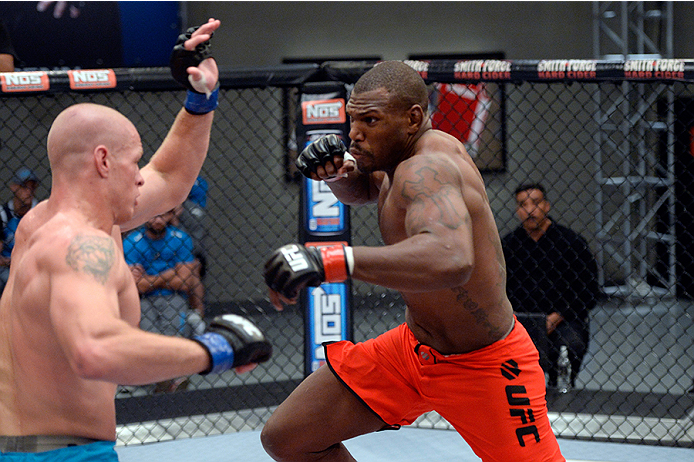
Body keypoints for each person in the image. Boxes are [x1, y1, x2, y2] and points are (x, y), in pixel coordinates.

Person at [262, 61, 565, 462]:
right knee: (288, 437)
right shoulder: (399, 160)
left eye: (370, 120)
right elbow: (369, 190)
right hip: (412, 351)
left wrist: (331, 260)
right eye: (352, 120)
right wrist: (338, 176)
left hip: (486, 365)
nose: (354, 135)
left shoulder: (429, 166)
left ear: (413, 118)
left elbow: (452, 258)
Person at [0, 19, 272, 459]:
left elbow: (171, 176)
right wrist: (212, 351)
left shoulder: (41, 224)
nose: (141, 178)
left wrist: (200, 98)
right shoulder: (79, 244)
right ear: (104, 161)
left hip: (32, 445)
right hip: (60, 454)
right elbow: (96, 349)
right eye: (134, 162)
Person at [502, 183, 599, 390]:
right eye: (522, 204)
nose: (529, 210)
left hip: (563, 318)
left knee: (571, 344)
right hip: (520, 320)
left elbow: (589, 290)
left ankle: (562, 386)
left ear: (546, 206)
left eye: (535, 203)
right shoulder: (508, 245)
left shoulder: (572, 242)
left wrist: (559, 315)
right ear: (517, 210)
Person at [0, 167, 40, 294]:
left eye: (32, 187)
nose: (29, 191)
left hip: (33, 264)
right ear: (13, 187)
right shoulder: (3, 214)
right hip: (7, 266)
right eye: (24, 187)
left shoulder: (40, 212)